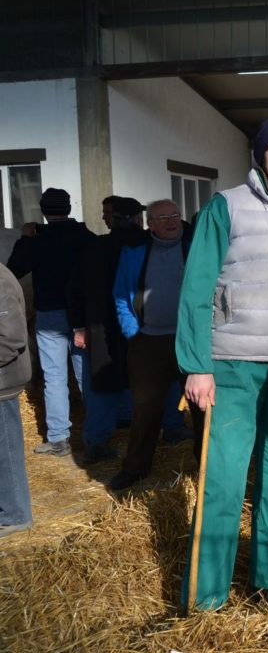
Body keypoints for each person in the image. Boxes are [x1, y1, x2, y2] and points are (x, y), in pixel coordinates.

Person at [175, 113, 268, 612]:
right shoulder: (226, 207)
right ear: (260, 157)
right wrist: (196, 366)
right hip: (232, 364)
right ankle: (207, 595)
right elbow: (196, 288)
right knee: (222, 478)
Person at [109, 200, 202, 490]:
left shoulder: (196, 246)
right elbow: (121, 295)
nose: (172, 221)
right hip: (148, 342)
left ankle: (208, 466)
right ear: (150, 223)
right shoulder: (134, 252)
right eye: (163, 217)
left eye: (175, 214)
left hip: (191, 341)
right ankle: (136, 468)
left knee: (203, 407)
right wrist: (132, 332)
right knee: (146, 409)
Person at [6, 188, 95, 457]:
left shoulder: (39, 240)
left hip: (49, 316)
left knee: (54, 376)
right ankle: (95, 436)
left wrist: (24, 238)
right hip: (83, 314)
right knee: (85, 374)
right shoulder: (86, 237)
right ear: (69, 208)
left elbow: (12, 270)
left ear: (43, 211)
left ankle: (59, 439)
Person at [68, 196, 148, 463]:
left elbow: (75, 290)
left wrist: (78, 325)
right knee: (148, 377)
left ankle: (96, 439)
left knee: (105, 381)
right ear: (137, 220)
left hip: (101, 325)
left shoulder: (94, 248)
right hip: (142, 324)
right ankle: (166, 429)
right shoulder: (149, 245)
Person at [0, 263, 33, 538]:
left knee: (6, 450)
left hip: (3, 381)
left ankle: (16, 515)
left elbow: (12, 339)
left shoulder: (1, 281)